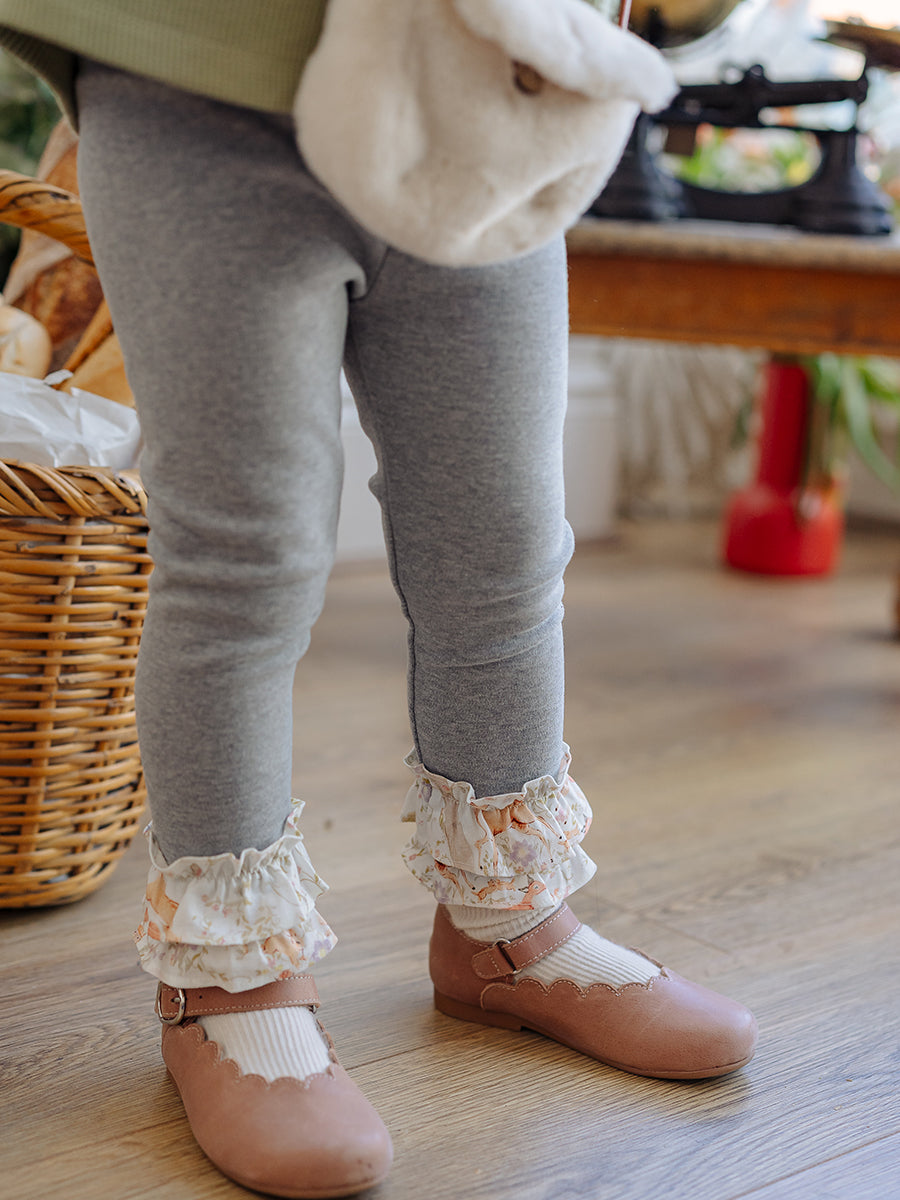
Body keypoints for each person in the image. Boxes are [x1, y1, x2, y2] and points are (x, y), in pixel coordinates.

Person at [0, 3, 758, 1197]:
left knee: (504, 539)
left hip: (492, 82)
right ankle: (227, 978)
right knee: (244, 558)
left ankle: (508, 923)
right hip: (203, 70)